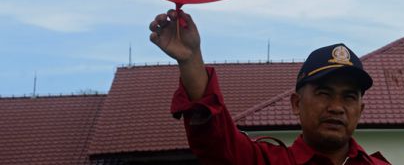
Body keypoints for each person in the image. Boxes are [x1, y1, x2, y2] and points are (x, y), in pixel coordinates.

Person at [149, 9, 390, 165]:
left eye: (348, 97)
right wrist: (191, 59)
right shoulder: (265, 161)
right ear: (296, 104)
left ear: (360, 110)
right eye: (323, 93)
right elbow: (217, 142)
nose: (337, 107)